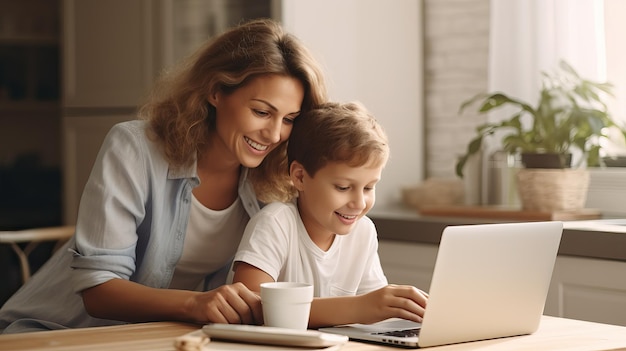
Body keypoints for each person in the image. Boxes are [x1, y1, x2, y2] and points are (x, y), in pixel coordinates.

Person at [0, 18, 327, 334]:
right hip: (53, 332)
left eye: (290, 119)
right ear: (215, 91)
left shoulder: (270, 182)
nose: (274, 134)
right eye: (261, 111)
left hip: (157, 337)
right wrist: (196, 304)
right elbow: (99, 290)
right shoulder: (135, 147)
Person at [231, 102, 428, 328]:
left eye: (368, 188)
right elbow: (251, 307)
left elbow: (374, 312)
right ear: (300, 177)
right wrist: (360, 307)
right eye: (343, 188)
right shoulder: (275, 224)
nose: (359, 203)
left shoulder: (363, 232)